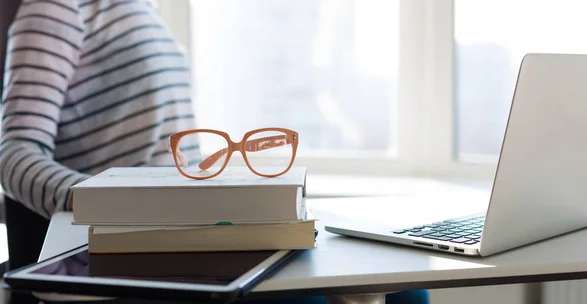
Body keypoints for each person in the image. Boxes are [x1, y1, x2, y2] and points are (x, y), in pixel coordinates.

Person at [0, 1, 428, 303]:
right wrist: (102, 199)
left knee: (408, 289)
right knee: (302, 298)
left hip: (187, 226)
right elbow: (13, 152)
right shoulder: (55, 8)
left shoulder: (143, 9)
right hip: (132, 240)